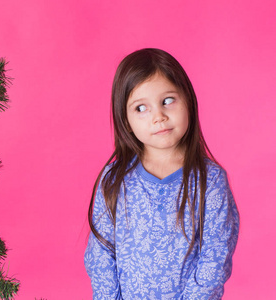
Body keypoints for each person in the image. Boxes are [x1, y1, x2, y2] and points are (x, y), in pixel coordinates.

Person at [84, 48, 239, 299]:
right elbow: (100, 256)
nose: (158, 116)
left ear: (187, 99)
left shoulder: (210, 180)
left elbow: (215, 259)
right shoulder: (114, 179)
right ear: (125, 120)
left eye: (167, 101)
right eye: (141, 108)